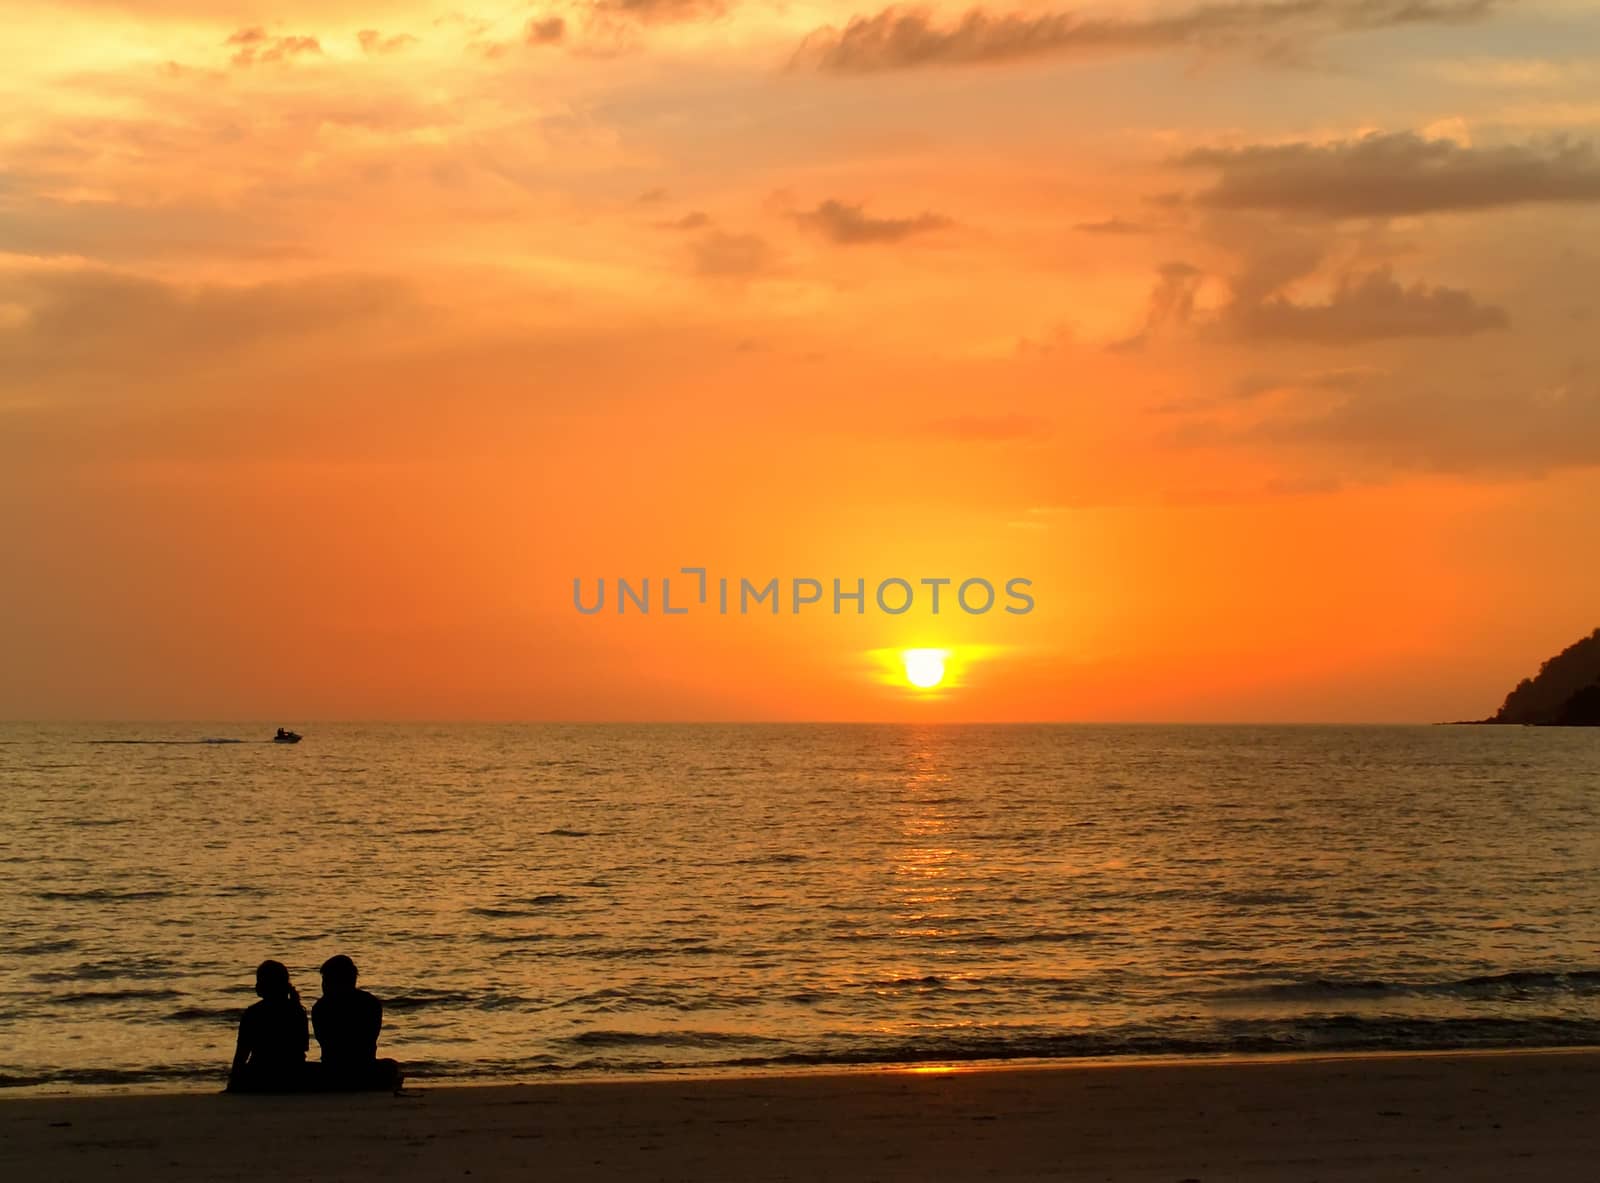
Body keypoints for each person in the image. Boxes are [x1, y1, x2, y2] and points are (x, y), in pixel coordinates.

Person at [311, 954, 403, 1091]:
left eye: (326, 980)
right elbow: (370, 1040)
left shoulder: (321, 1007)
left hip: (332, 1071)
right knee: (391, 1066)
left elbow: (325, 1043)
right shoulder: (371, 1003)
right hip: (365, 1069)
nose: (323, 985)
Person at [227, 959, 310, 1093]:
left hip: (260, 1074)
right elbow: (302, 1048)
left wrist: (233, 1083)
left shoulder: (252, 1013)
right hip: (293, 1075)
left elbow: (242, 1053)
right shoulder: (297, 1010)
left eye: (259, 980)